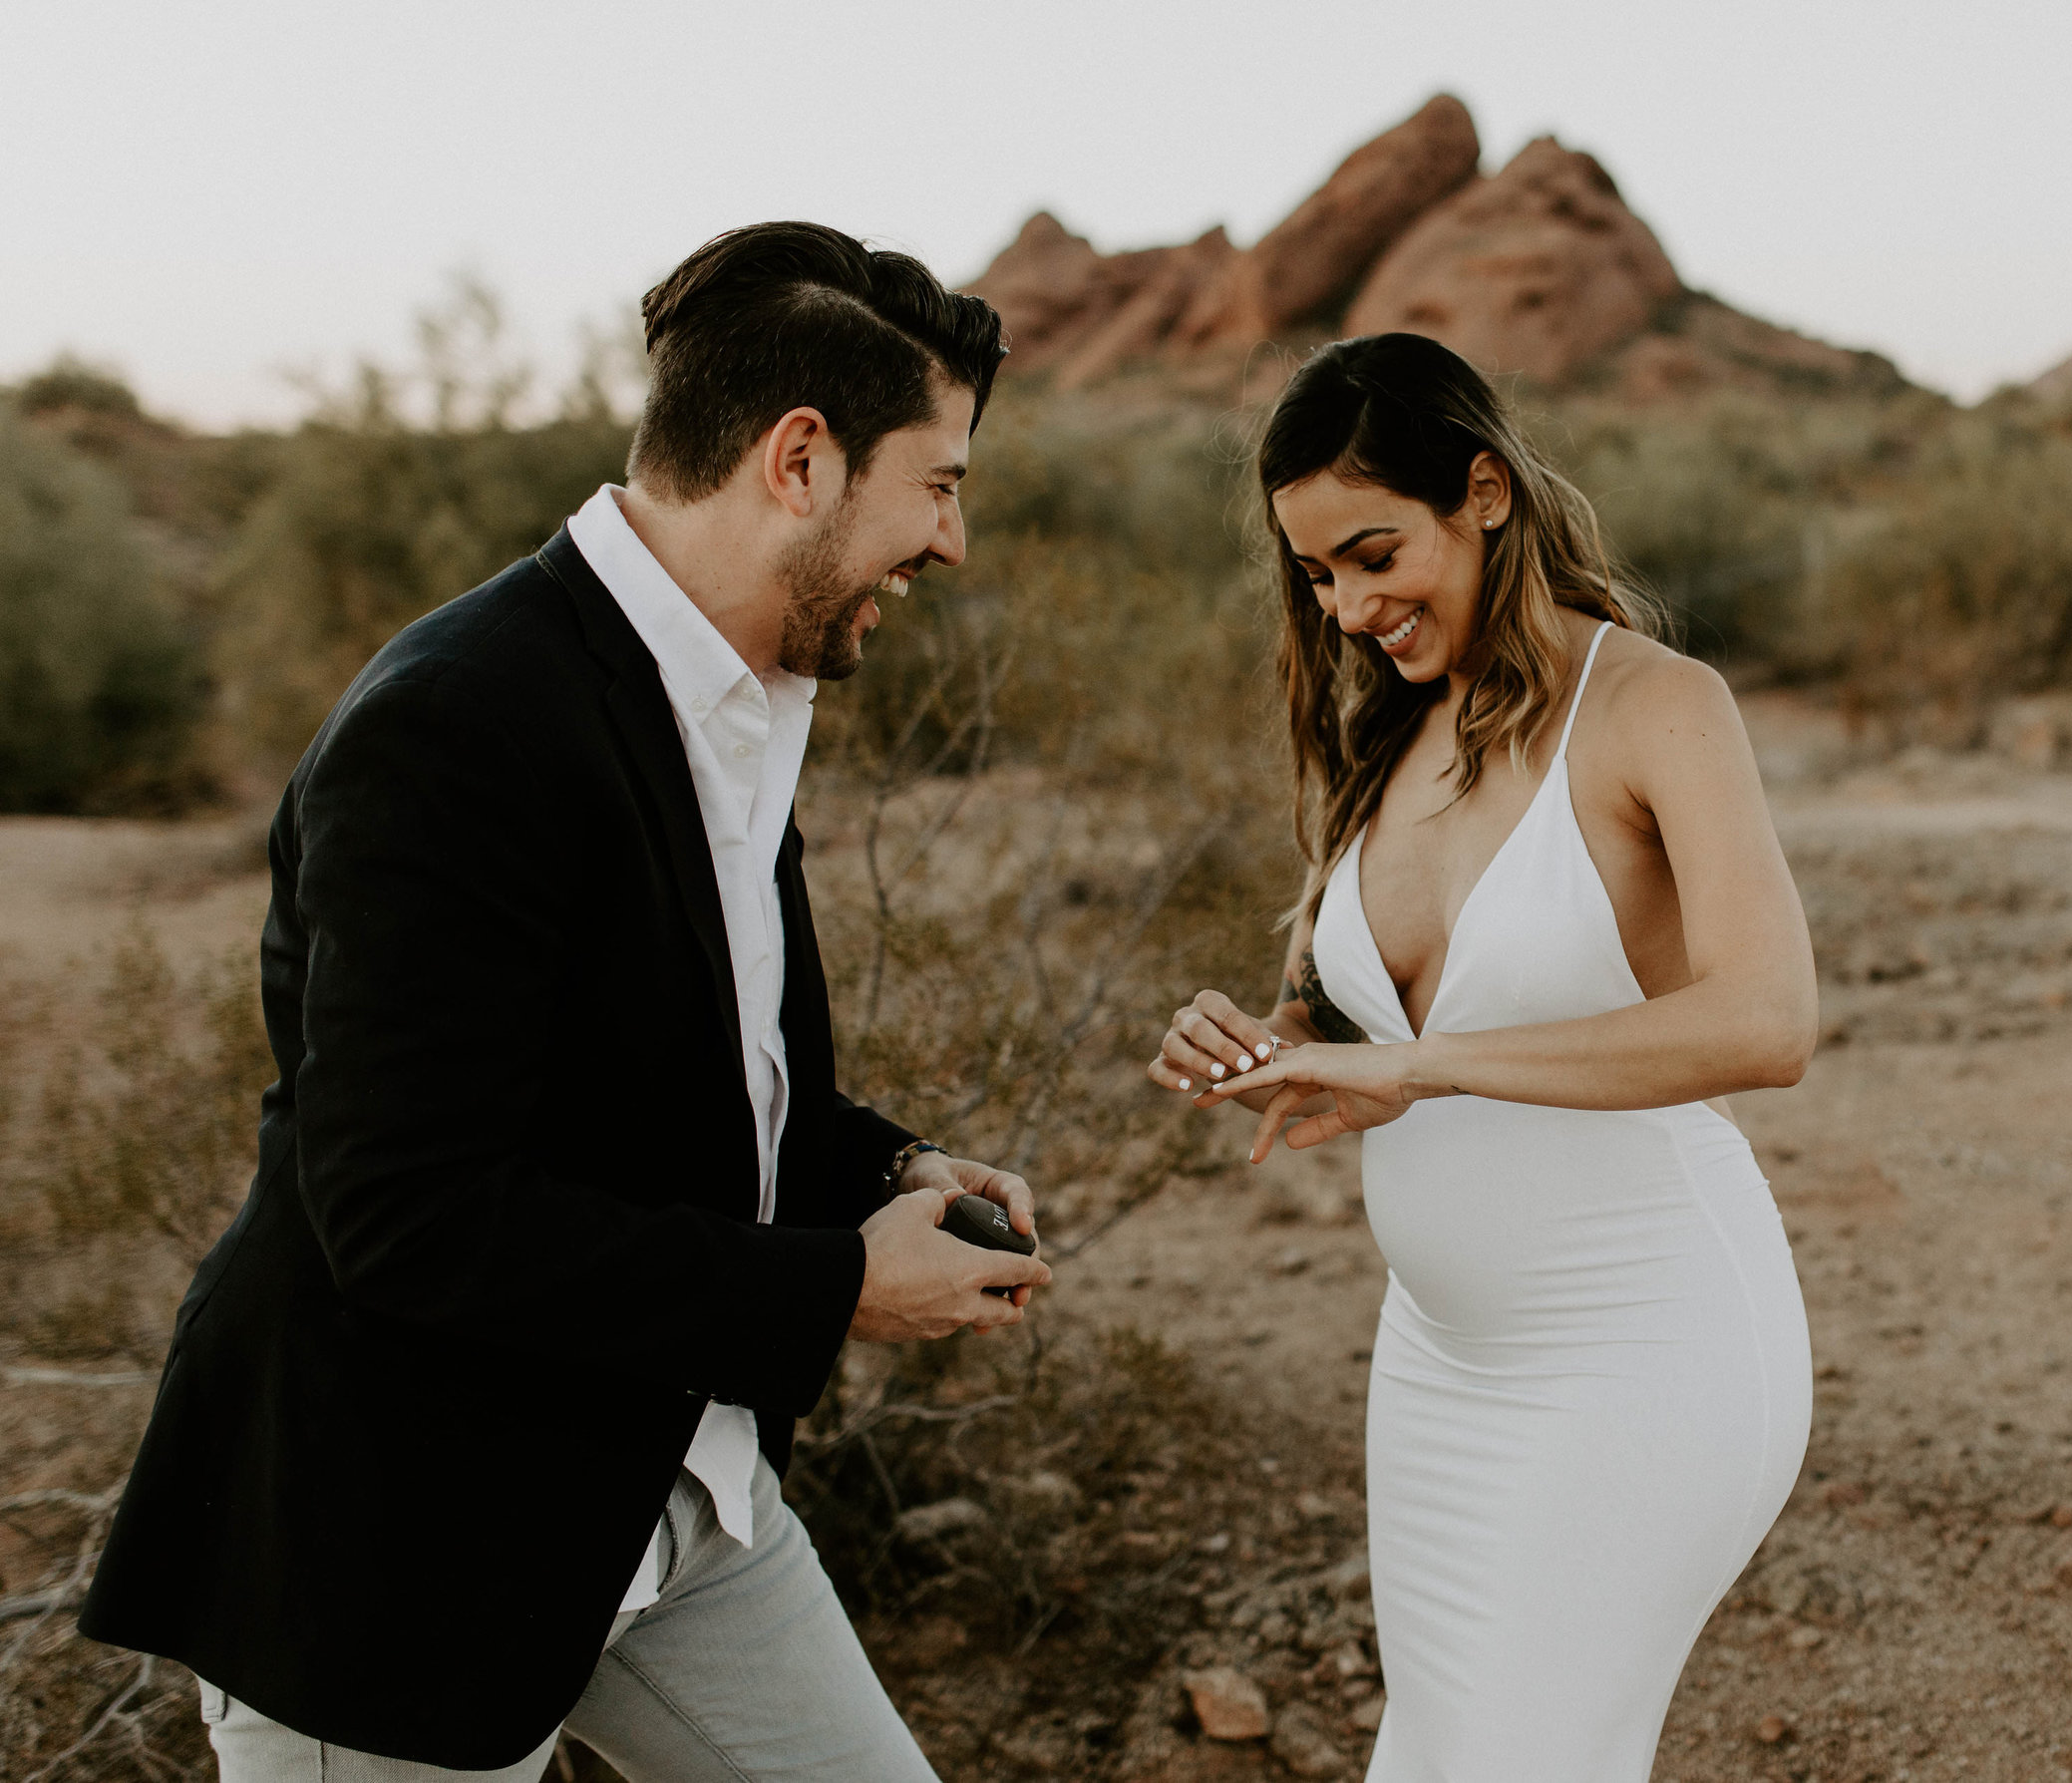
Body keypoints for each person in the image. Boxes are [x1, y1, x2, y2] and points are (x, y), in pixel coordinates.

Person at [79, 222, 1049, 1782]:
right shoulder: (459, 724)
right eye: (937, 482)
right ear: (800, 460)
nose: (951, 542)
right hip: (398, 1556)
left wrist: (887, 1176)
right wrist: (831, 1291)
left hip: (676, 1504)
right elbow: (408, 1214)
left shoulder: (736, 695)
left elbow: (686, 1071)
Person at [1150, 333, 1818, 1780]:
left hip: (1650, 1351)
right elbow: (1370, 1035)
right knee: (1440, 1756)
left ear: (1488, 494)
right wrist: (1278, 1048)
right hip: (1442, 1363)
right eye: (1318, 575)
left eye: (1376, 553)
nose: (1347, 608)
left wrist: (1422, 1074)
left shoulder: (1655, 708)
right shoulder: (1398, 733)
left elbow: (1768, 1021)